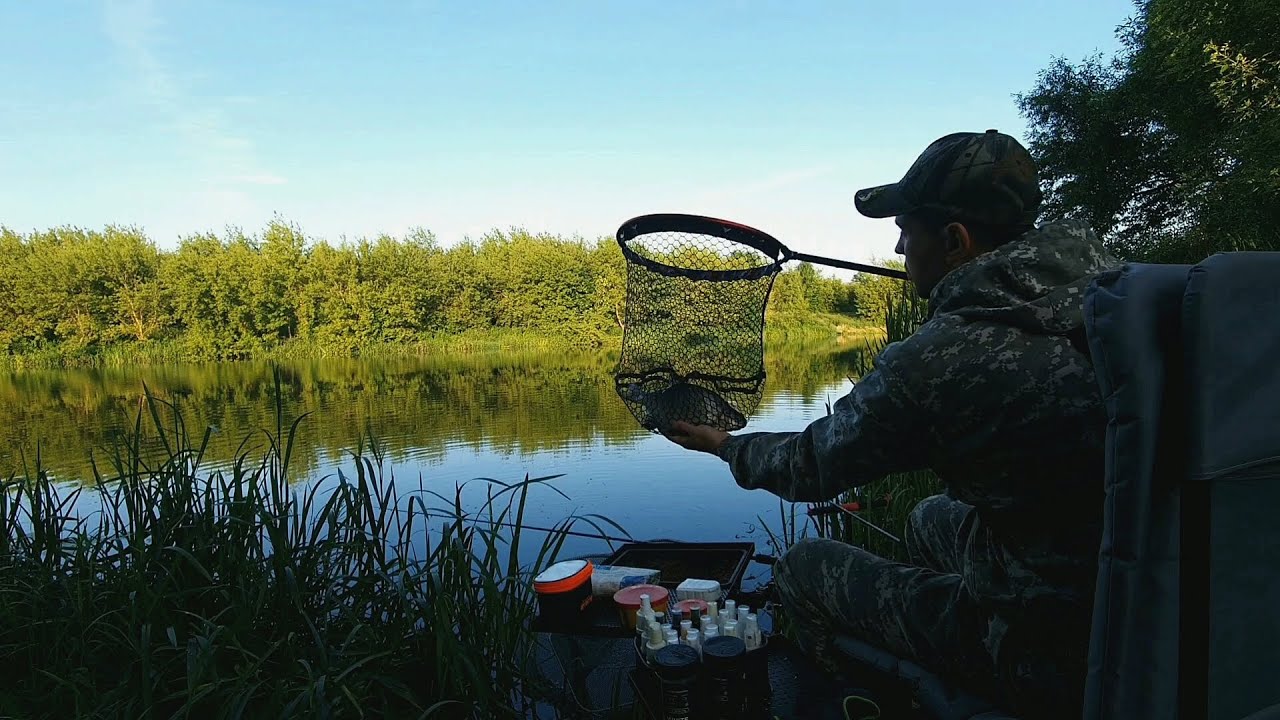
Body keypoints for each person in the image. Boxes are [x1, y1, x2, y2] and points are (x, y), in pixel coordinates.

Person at [666, 129, 1121, 717]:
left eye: (907, 230)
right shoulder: (1121, 298)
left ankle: (853, 700)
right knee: (928, 516)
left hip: (1046, 650)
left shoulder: (942, 359)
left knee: (803, 567)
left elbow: (811, 466)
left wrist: (725, 445)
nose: (900, 247)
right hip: (1129, 596)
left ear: (954, 241)